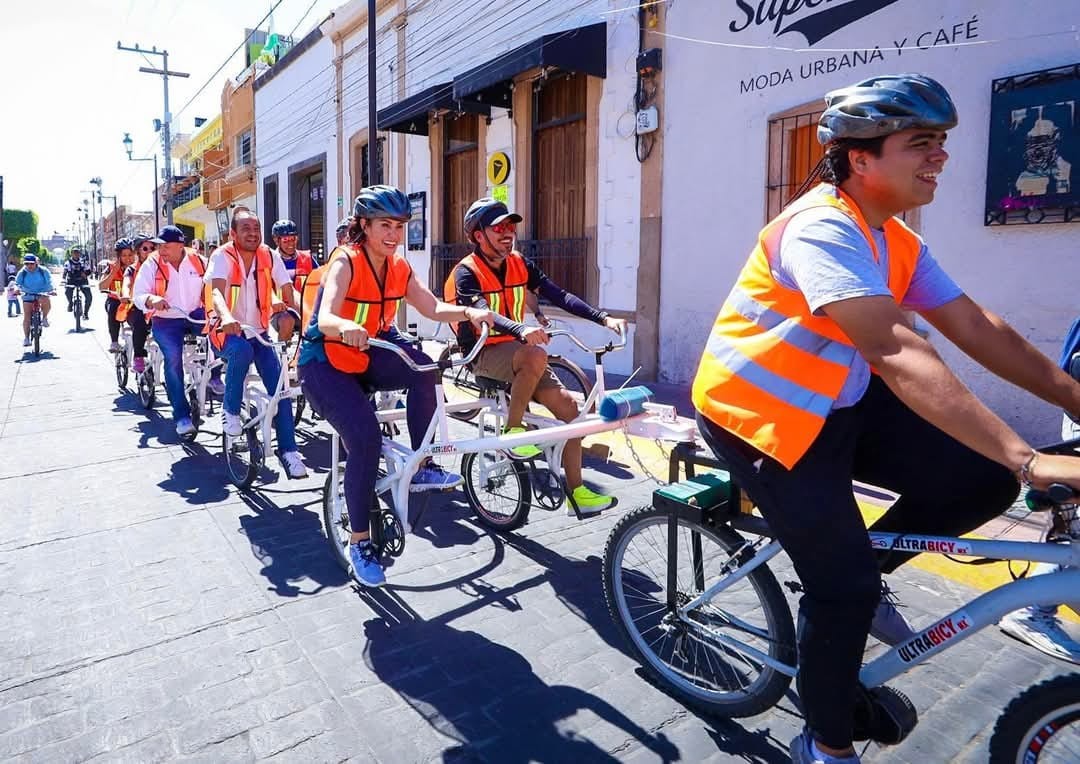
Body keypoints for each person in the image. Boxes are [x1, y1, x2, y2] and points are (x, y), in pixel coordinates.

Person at [689, 73, 1080, 764]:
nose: (941, 157)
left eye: (943, 142)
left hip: (838, 399)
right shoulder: (819, 228)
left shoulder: (893, 239)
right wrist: (1028, 456)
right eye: (922, 142)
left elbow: (975, 326)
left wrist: (1074, 402)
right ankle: (828, 741)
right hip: (762, 416)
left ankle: (858, 567)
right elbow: (895, 347)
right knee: (841, 591)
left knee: (981, 483)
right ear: (860, 157)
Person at [298, 185, 497, 587]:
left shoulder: (400, 268)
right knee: (365, 438)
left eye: (400, 226)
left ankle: (422, 466)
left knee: (424, 369)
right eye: (385, 225)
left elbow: (432, 308)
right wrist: (346, 326)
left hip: (364, 356)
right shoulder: (346, 261)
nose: (393, 234)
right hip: (324, 365)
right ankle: (360, 543)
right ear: (363, 226)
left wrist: (469, 312)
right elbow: (326, 317)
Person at [446, 197, 626, 515]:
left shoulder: (520, 263)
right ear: (477, 235)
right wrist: (520, 330)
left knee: (573, 412)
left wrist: (603, 318)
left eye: (511, 226)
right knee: (534, 355)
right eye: (499, 227)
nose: (508, 232)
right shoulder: (466, 273)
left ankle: (578, 494)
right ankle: (514, 431)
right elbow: (482, 313)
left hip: (520, 352)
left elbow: (559, 294)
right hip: (484, 352)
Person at [206, 209, 307, 479]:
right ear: (233, 233)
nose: (252, 233)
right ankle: (230, 411)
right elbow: (216, 291)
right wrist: (226, 316)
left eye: (256, 228)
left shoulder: (268, 254)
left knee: (281, 388)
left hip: (259, 331)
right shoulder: (222, 256)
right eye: (246, 228)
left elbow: (288, 291)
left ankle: (289, 452)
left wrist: (308, 316)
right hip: (225, 332)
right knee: (241, 350)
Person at [133, 226, 211, 438]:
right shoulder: (152, 263)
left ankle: (214, 377)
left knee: (221, 338)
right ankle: (182, 416)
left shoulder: (199, 260)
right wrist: (151, 299)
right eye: (159, 246)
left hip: (196, 314)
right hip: (166, 320)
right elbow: (138, 294)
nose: (161, 251)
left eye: (166, 246)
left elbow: (214, 287)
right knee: (173, 359)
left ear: (180, 245)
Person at [267, 219, 315, 343]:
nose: (291, 244)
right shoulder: (269, 260)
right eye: (286, 240)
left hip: (303, 309)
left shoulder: (307, 258)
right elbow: (264, 286)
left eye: (293, 239)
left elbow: (321, 280)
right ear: (276, 240)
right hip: (277, 313)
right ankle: (281, 355)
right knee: (287, 321)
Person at [117, 235, 155, 374]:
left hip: (155, 309)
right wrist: (126, 294)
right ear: (138, 251)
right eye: (145, 248)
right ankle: (138, 356)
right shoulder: (131, 269)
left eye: (152, 248)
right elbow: (126, 283)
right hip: (136, 307)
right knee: (139, 322)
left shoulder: (160, 268)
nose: (149, 251)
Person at [99, 238, 135, 352]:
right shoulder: (110, 267)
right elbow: (101, 286)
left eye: (130, 255)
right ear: (118, 256)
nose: (128, 258)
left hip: (132, 301)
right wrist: (114, 271)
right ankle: (114, 341)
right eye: (124, 255)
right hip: (115, 300)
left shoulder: (138, 267)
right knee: (113, 308)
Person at [14, 254, 54, 346]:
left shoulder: (43, 271)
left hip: (42, 293)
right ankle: (27, 338)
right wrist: (17, 289)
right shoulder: (22, 272)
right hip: (27, 295)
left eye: (31, 263)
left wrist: (52, 290)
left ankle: (44, 318)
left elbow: (50, 281)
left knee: (46, 301)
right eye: (27, 263)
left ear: (36, 263)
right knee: (27, 317)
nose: (29, 266)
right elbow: (17, 283)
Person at [63, 247, 93, 319]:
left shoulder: (84, 262)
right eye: (74, 253)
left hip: (82, 281)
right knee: (67, 292)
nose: (76, 255)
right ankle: (70, 303)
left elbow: (89, 271)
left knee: (89, 297)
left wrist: (85, 274)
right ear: (71, 254)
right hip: (71, 281)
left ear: (79, 254)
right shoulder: (68, 263)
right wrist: (64, 280)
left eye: (77, 253)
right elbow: (65, 273)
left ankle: (85, 313)